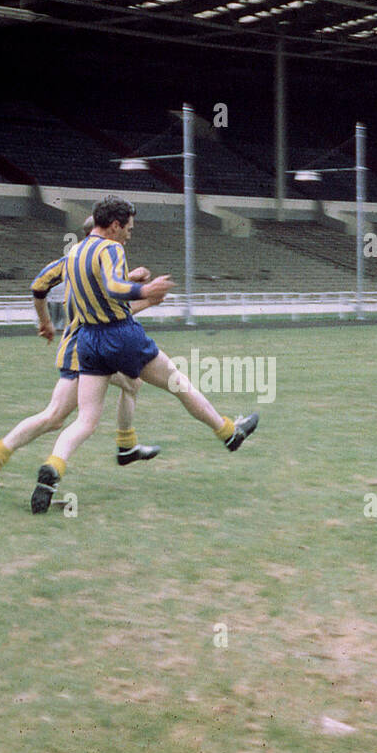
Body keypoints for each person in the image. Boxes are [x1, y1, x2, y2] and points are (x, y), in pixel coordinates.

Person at [30, 195, 258, 514]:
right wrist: (145, 291)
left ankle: (52, 469)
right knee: (179, 383)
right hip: (121, 335)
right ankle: (229, 433)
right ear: (114, 225)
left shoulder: (75, 253)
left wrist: (132, 284)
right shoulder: (111, 247)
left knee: (85, 420)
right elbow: (112, 288)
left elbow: (91, 291)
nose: (130, 234)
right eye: (129, 228)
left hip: (89, 342)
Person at [0, 218, 159, 498]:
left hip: (85, 344)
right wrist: (147, 298)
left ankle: (127, 446)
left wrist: (45, 322)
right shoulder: (102, 259)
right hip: (84, 348)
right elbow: (112, 314)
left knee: (131, 384)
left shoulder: (71, 262)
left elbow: (38, 287)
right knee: (56, 415)